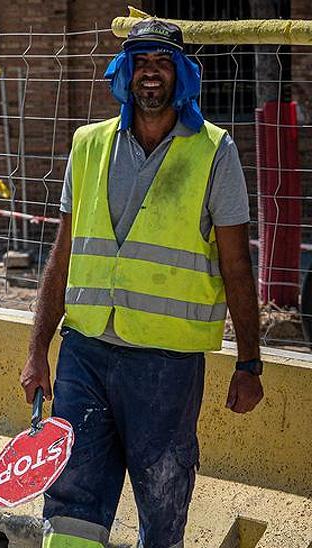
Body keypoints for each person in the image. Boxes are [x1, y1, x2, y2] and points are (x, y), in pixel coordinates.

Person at [20, 19, 264, 547]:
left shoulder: (214, 151)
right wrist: (38, 348)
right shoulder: (88, 145)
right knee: (71, 496)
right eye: (140, 62)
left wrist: (249, 362)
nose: (150, 73)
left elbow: (236, 267)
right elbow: (62, 256)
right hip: (84, 352)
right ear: (124, 72)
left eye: (162, 62)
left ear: (182, 74)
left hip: (166, 364)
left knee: (163, 499)